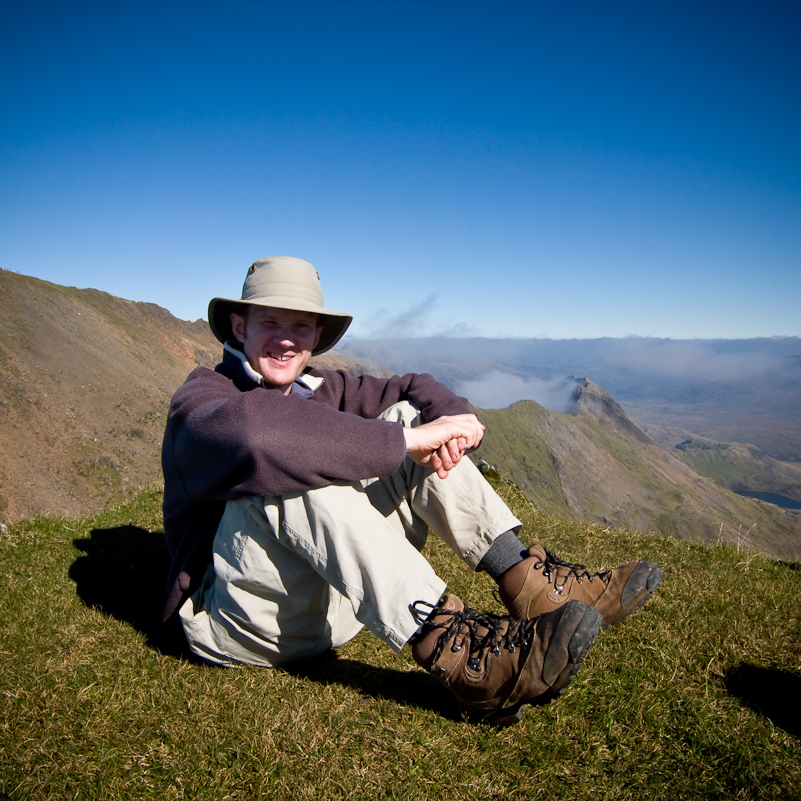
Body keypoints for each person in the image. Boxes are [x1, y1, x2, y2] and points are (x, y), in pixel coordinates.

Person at [162, 256, 662, 726]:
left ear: (316, 336)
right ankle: (459, 654)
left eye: (300, 326)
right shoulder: (203, 399)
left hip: (332, 616)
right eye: (271, 322)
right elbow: (259, 437)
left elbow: (412, 387)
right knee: (284, 470)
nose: (287, 341)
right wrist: (406, 442)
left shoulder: (320, 388)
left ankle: (532, 585)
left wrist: (453, 417)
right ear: (239, 327)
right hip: (241, 625)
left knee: (408, 417)